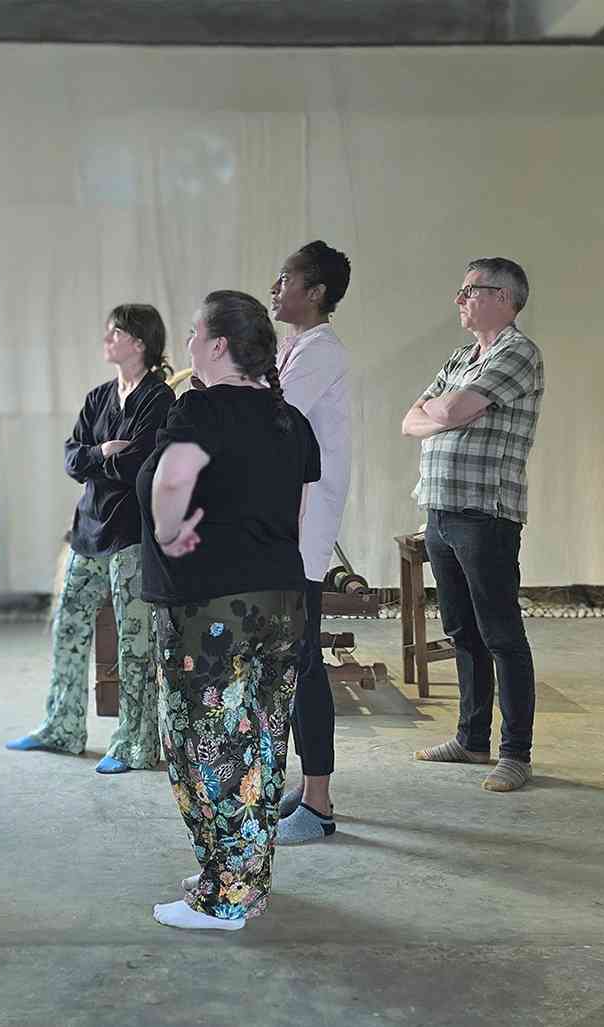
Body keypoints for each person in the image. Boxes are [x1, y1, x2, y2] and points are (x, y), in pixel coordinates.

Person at [138, 290, 320, 931]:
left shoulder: (201, 409)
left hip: (210, 607)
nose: (187, 344)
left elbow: (170, 479)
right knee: (263, 743)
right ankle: (241, 876)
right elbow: (297, 514)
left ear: (217, 345)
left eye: (194, 333)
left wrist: (169, 535)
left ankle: (225, 899)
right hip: (281, 601)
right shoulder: (290, 421)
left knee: (202, 744)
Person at [6, 304, 174, 774]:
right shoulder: (98, 397)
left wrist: (94, 461)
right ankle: (61, 728)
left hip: (130, 535)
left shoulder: (159, 399)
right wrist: (101, 452)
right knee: (68, 628)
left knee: (134, 643)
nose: (106, 339)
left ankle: (135, 745)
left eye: (114, 332)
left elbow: (140, 465)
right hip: (87, 531)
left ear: (138, 342)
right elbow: (71, 459)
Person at [400, 258, 545, 793]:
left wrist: (446, 411)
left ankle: (516, 753)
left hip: (486, 512)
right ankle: (471, 738)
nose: (459, 299)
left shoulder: (518, 353)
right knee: (462, 630)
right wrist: (446, 413)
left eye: (470, 290)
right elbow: (412, 419)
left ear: (503, 297)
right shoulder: (462, 357)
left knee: (501, 634)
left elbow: (448, 409)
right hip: (440, 510)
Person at [267, 241, 353, 845]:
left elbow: (271, 416)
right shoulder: (293, 347)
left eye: (285, 278)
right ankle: (308, 786)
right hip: (285, 526)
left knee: (303, 662)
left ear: (315, 291)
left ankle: (319, 804)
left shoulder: (320, 351)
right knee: (292, 660)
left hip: (302, 530)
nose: (275, 288)